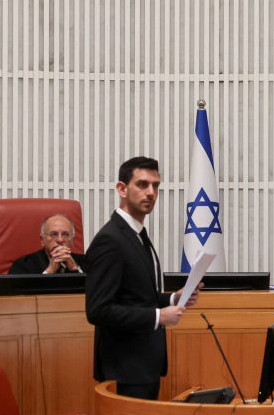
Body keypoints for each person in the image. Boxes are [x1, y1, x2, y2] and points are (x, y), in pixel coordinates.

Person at [85, 157, 199, 400]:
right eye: (142, 184)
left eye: (156, 186)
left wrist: (172, 298)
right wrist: (158, 316)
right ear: (122, 189)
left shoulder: (135, 233)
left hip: (142, 363)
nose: (151, 193)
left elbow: (136, 295)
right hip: (126, 367)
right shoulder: (111, 240)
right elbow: (98, 310)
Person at [8, 214, 87, 274]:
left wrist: (74, 268)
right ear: (42, 240)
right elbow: (11, 293)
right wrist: (49, 271)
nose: (60, 239)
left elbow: (94, 291)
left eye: (65, 234)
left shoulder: (86, 262)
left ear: (72, 239)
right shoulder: (24, 264)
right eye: (53, 234)